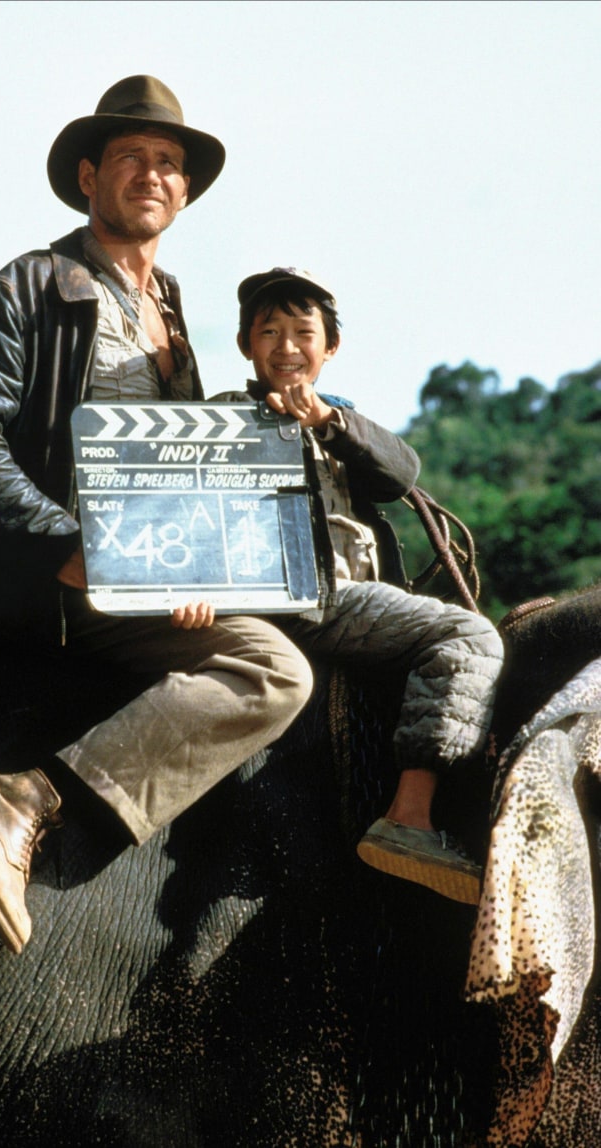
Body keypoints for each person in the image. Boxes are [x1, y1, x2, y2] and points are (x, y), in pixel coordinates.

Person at [0, 77, 314, 955]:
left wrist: (204, 571)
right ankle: (26, 800)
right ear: (89, 176)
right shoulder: (32, 285)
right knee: (275, 672)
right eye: (132, 157)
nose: (154, 174)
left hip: (146, 590)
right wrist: (61, 548)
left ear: (184, 192)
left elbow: (180, 468)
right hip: (49, 598)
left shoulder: (170, 309)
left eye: (169, 163)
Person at [211, 266, 504, 905]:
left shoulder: (341, 421)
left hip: (349, 598)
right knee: (468, 636)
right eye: (270, 332)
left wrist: (330, 424)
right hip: (303, 598)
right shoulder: (223, 419)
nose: (287, 347)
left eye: (302, 332)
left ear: (330, 346)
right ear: (247, 345)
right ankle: (410, 817)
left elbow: (402, 471)